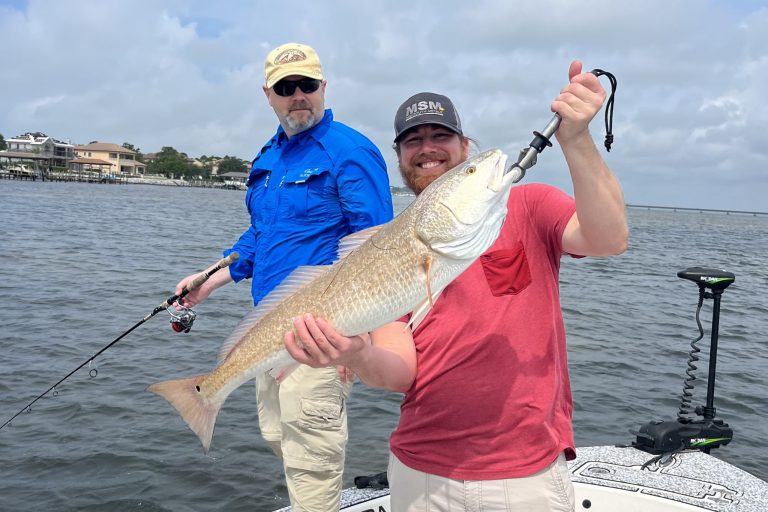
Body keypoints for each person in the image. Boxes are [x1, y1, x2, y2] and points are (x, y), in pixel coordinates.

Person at [284, 60, 628, 511]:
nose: (427, 149)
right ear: (400, 156)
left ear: (465, 146)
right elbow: (401, 371)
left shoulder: (528, 205)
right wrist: (357, 355)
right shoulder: (388, 249)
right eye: (413, 140)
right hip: (420, 471)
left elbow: (608, 238)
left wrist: (577, 139)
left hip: (526, 474)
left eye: (440, 136)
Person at [174, 42, 393, 512]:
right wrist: (209, 279)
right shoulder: (268, 157)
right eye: (285, 87)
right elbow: (261, 234)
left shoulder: (351, 151)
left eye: (307, 85)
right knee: (278, 435)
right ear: (268, 95)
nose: (298, 96)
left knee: (310, 453)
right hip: (269, 325)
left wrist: (355, 339)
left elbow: (377, 250)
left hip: (323, 329)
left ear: (323, 87)